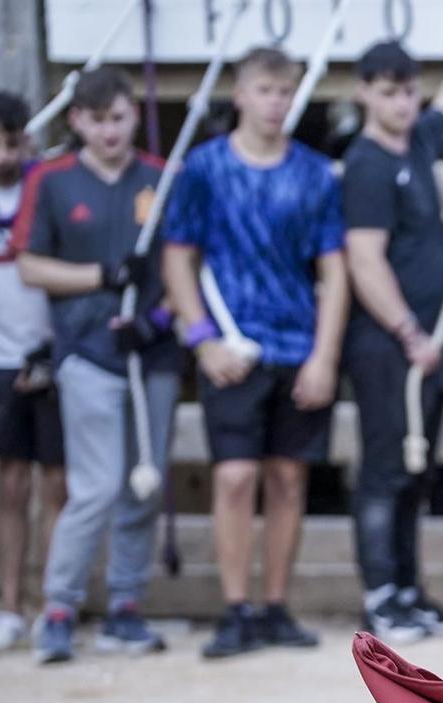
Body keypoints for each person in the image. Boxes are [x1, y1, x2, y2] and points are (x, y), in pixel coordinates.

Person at [163, 46, 347, 659]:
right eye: (265, 90)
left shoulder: (317, 174)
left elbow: (334, 269)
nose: (276, 102)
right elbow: (177, 258)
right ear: (239, 94)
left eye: (286, 91)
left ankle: (274, 607)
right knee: (236, 477)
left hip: (296, 346)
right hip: (231, 351)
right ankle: (235, 608)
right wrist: (202, 338)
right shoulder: (204, 168)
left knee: (289, 480)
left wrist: (324, 356)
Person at [340, 19, 443, 645]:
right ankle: (382, 597)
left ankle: (408, 592)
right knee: (385, 468)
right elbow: (363, 257)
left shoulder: (415, 144)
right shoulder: (367, 163)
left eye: (407, 91)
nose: (402, 103)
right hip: (390, 344)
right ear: (364, 95)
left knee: (416, 469)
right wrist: (409, 333)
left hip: (419, 347)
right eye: (387, 92)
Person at [12, 70, 175, 665]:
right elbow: (30, 265)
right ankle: (59, 608)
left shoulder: (160, 179)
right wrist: (102, 278)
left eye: (119, 117)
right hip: (86, 352)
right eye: (96, 119)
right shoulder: (51, 181)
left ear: (135, 116)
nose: (109, 130)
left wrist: (157, 319)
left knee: (145, 482)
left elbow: (183, 264)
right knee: (97, 486)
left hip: (150, 353)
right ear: (76, 120)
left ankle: (125, 607)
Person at [0, 90, 64, 653]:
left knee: (57, 485)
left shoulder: (46, 188)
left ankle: (47, 601)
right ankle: (8, 602)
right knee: (9, 485)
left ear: (27, 140)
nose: (1, 155)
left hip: (52, 356)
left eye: (11, 142)